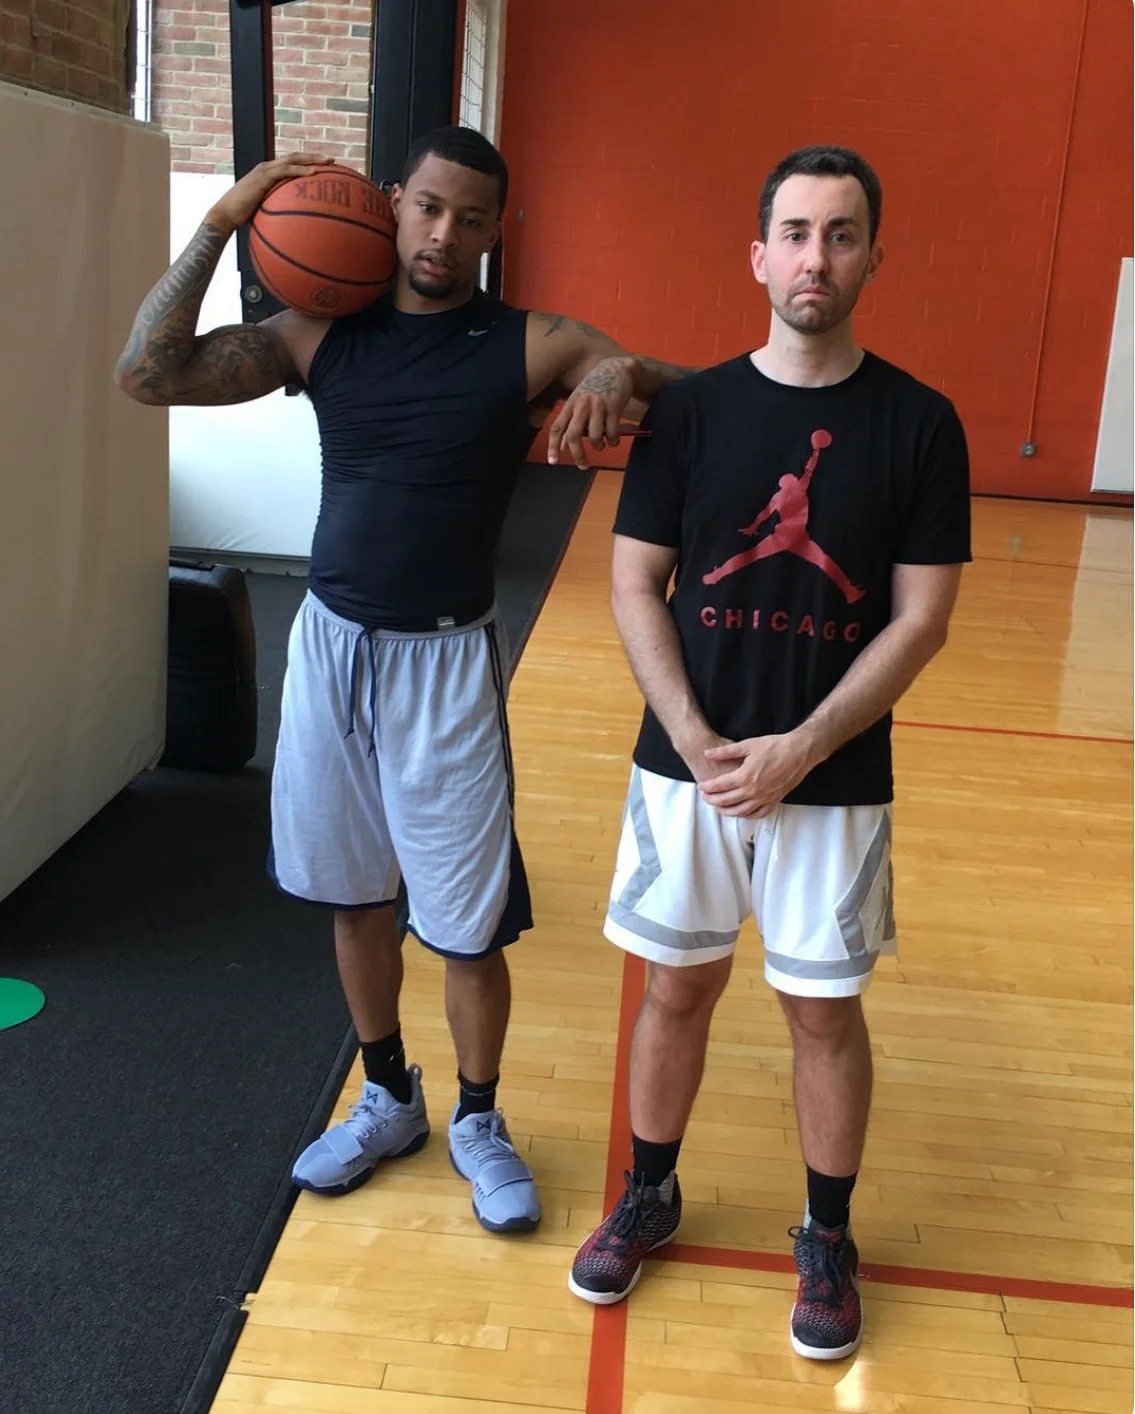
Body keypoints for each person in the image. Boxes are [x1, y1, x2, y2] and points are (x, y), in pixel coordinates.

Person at [115, 125, 692, 1234]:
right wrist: (222, 220)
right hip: (331, 647)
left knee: (467, 924)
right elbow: (148, 374)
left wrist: (622, 369)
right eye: (428, 207)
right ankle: (388, 1095)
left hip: (447, 659)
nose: (444, 233)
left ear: (493, 229)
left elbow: (672, 397)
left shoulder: (527, 342)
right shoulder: (322, 330)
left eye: (471, 217)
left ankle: (477, 1117)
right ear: (391, 202)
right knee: (355, 894)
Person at [567, 145, 970, 1360]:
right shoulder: (689, 412)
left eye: (840, 235)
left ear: (871, 259)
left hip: (831, 777)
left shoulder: (919, 423)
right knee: (676, 986)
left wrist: (798, 746)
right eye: (794, 232)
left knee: (820, 1011)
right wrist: (696, 737)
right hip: (682, 765)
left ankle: (827, 1234)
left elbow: (921, 619)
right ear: (758, 255)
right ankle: (648, 1189)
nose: (815, 257)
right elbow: (636, 582)